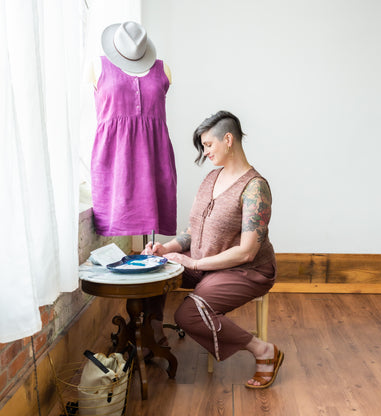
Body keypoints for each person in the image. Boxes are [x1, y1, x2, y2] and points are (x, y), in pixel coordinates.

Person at [144, 110, 284, 389]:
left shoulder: (255, 188)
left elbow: (246, 252)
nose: (205, 151)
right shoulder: (210, 179)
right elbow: (192, 230)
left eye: (209, 144)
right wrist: (166, 249)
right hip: (204, 263)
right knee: (148, 274)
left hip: (246, 270)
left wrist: (194, 265)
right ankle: (155, 339)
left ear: (228, 139)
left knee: (187, 315)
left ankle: (264, 351)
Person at [90, 21, 177, 237]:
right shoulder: (98, 66)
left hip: (155, 156)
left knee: (154, 215)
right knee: (115, 217)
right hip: (114, 158)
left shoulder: (162, 69)